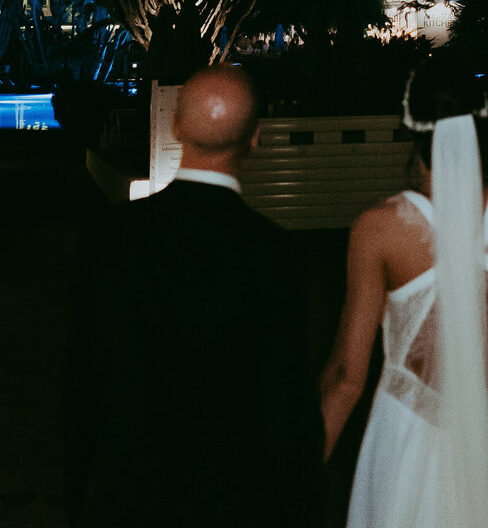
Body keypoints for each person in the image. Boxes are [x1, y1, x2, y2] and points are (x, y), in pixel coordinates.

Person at [63, 64, 322, 527]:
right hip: (232, 501)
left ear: (176, 126)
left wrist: (82, 500)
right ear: (256, 138)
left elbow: (80, 385)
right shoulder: (274, 254)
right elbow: (287, 413)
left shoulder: (106, 235)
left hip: (123, 495)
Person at [321, 65, 488, 527]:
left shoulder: (378, 229)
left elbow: (346, 376)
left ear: (412, 129)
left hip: (408, 439)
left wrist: (302, 469)